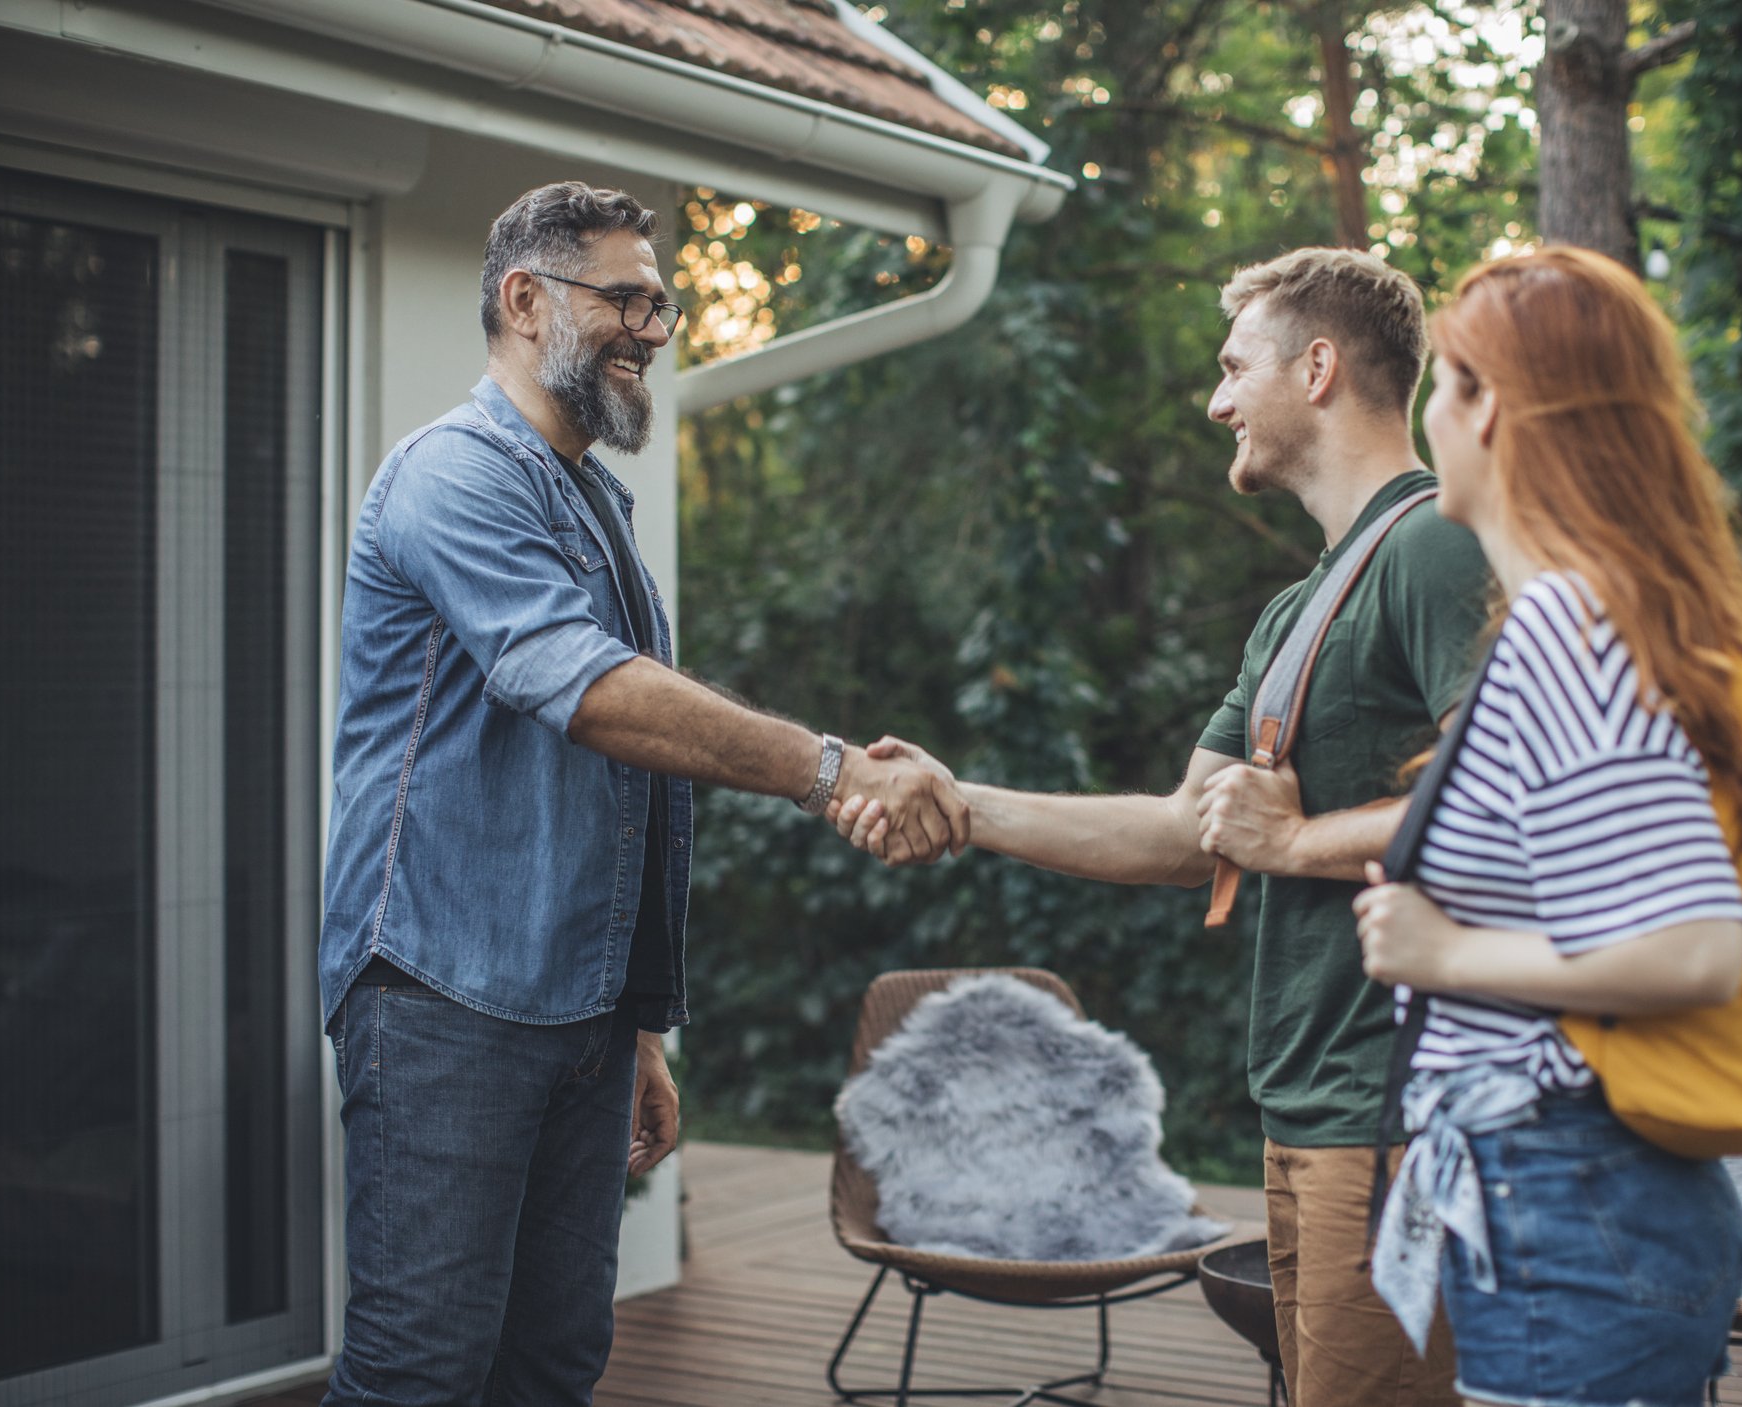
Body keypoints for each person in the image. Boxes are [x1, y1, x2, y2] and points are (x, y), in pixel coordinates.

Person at [318, 181, 967, 1406]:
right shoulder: (451, 476)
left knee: (555, 1360)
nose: (653, 329)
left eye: (660, 304)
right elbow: (588, 691)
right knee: (421, 1368)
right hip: (444, 998)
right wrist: (827, 768)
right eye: (622, 297)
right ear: (523, 300)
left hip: (577, 1013)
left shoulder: (588, 501)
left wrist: (638, 1027)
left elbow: (617, 797)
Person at [836, 248, 1489, 1407]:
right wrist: (960, 802)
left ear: (1320, 367)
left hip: (1396, 1106)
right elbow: (1191, 835)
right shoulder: (1301, 606)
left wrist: (1294, 845)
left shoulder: (1434, 545)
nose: (1217, 399)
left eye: (1237, 367)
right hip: (1305, 1108)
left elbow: (1499, 799)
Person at [1352, 246, 1742, 1407]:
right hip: (1589, 1203)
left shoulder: (1568, 617)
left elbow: (1689, 948)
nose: (1426, 420)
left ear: (1487, 405)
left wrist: (1442, 953)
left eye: (1440, 384)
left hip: (1568, 1198)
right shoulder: (1615, 615)